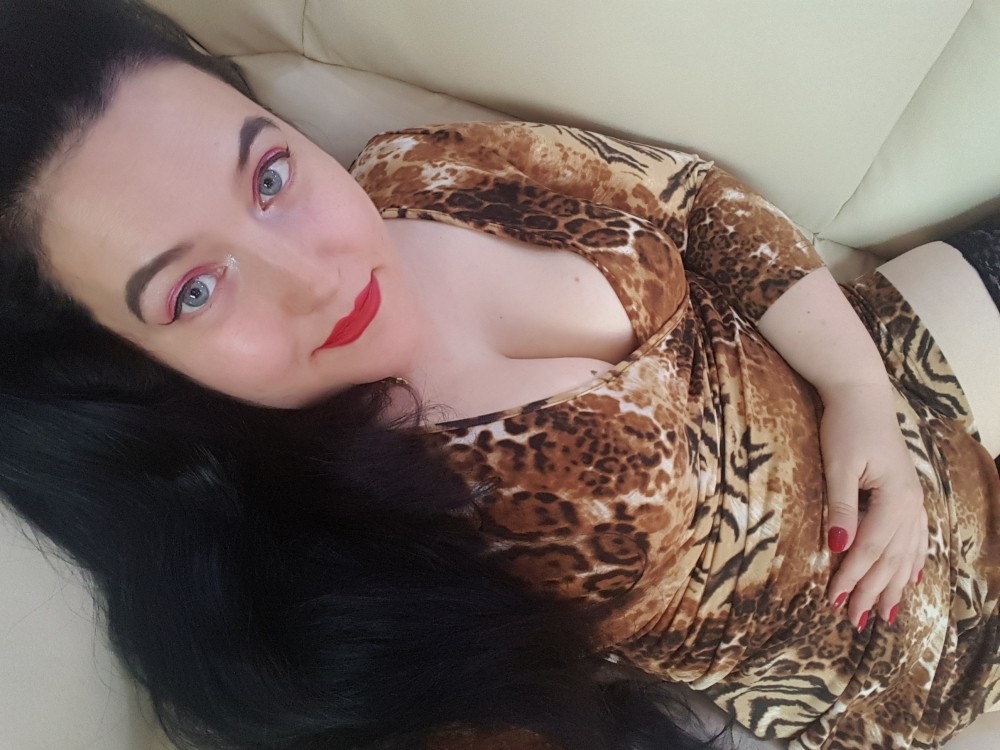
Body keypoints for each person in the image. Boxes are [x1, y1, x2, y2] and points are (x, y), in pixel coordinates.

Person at [1, 1, 998, 749]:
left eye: (268, 177)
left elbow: (693, 198)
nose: (316, 278)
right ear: (120, 366)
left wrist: (858, 393)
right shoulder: (362, 563)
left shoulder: (428, 170)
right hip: (920, 651)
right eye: (192, 291)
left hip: (900, 359)